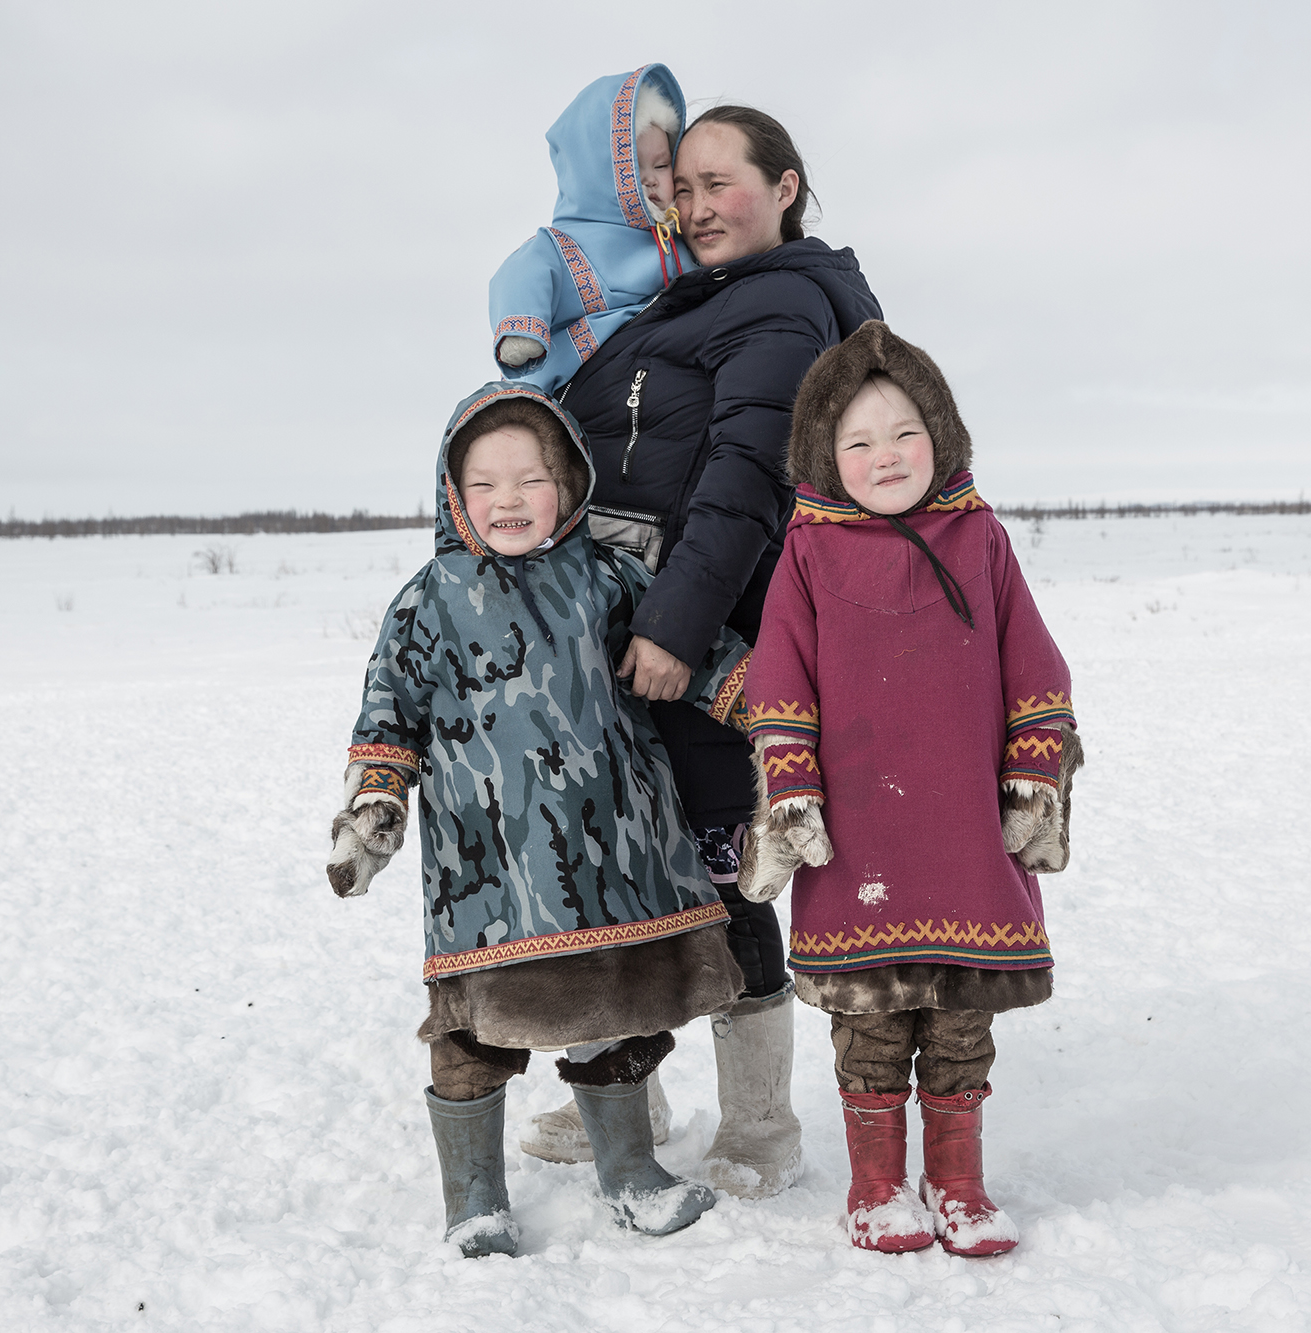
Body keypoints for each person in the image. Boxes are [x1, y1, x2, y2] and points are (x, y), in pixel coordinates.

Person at [519, 103, 884, 1200]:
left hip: (703, 633)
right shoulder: (684, 305)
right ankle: (629, 1094)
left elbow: (744, 473)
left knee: (724, 879)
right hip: (617, 629)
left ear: (784, 186)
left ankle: (760, 1127)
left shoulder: (781, 305)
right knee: (624, 868)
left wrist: (675, 628)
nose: (695, 204)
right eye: (680, 186)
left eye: (721, 181)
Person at [324, 382, 753, 1255]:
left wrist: (777, 715)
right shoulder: (426, 601)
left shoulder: (608, 577)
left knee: (619, 1009)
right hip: (486, 871)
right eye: (484, 483)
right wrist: (374, 799)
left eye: (530, 478)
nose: (508, 500)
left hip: (616, 860)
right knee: (476, 1029)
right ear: (452, 494)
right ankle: (475, 1196)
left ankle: (632, 1173)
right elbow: (387, 712)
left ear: (570, 482)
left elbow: (698, 651)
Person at [735, 321, 1084, 1257]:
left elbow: (1035, 666)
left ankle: (959, 1182)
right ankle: (877, 1184)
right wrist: (792, 791)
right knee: (874, 1022)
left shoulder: (981, 537)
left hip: (965, 833)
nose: (884, 456)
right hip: (860, 837)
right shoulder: (806, 555)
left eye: (903, 435)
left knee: (961, 1021)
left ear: (942, 436)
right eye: (857, 441)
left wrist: (1033, 781)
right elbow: (780, 680)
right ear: (822, 453)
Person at [488, 65, 691, 396]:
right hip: (576, 372)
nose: (650, 178)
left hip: (657, 369)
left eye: (661, 164)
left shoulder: (678, 238)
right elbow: (522, 272)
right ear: (597, 172)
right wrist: (523, 330)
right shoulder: (568, 244)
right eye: (634, 165)